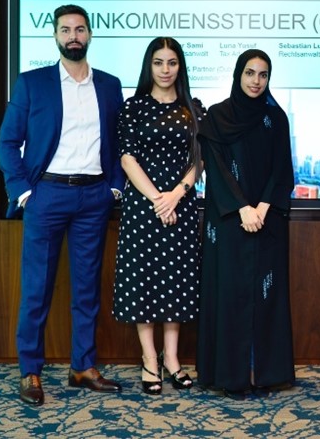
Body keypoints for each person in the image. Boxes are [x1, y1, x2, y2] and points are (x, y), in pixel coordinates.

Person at [0, 4, 125, 406]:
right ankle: (30, 371)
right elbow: (7, 143)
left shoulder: (109, 85)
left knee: (87, 289)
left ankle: (82, 367)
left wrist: (114, 188)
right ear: (55, 35)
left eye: (80, 29)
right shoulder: (32, 83)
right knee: (37, 288)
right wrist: (23, 192)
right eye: (66, 30)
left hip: (94, 197)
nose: (73, 36)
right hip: (47, 195)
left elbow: (118, 143)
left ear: (90, 35)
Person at [196, 49, 295, 397]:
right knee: (231, 296)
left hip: (268, 220)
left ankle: (263, 373)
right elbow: (217, 169)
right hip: (228, 222)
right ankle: (230, 375)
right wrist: (242, 208)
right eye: (250, 73)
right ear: (238, 74)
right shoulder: (217, 116)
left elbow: (283, 168)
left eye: (263, 75)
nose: (256, 81)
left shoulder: (275, 117)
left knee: (266, 296)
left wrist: (263, 207)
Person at [113, 37, 204, 394]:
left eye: (172, 63)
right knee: (144, 282)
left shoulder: (193, 108)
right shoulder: (133, 107)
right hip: (143, 208)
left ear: (180, 66)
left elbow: (199, 159)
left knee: (176, 282)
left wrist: (176, 195)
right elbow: (127, 159)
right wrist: (158, 200)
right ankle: (149, 359)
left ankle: (172, 359)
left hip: (182, 205)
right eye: (158, 62)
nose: (165, 70)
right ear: (148, 66)